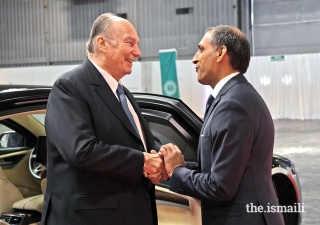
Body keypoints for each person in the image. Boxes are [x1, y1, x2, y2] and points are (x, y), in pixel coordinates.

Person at [41, 13, 167, 225]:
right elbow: (81, 150)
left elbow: (140, 140)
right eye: (130, 43)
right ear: (102, 43)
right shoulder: (70, 87)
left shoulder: (123, 93)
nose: (138, 52)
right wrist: (143, 162)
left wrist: (159, 156)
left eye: (137, 44)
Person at [160, 25, 285, 224]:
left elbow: (220, 186)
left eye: (201, 49)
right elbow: (217, 166)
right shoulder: (233, 97)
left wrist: (177, 172)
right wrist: (175, 166)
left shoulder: (233, 105)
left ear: (220, 53)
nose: (194, 58)